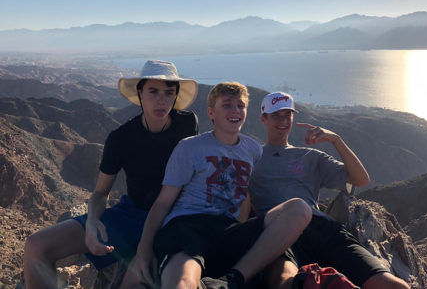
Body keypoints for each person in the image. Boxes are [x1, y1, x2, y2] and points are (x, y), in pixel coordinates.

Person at [23, 60, 199, 289]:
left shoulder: (187, 124)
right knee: (36, 245)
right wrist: (92, 223)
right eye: (153, 91)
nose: (161, 100)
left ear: (176, 96)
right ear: (140, 94)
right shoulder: (121, 138)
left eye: (169, 93)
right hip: (131, 215)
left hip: (174, 217)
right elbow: (100, 193)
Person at [122, 82, 312, 289]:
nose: (235, 111)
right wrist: (144, 250)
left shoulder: (253, 150)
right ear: (211, 113)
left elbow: (248, 194)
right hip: (188, 228)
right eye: (227, 105)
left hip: (228, 230)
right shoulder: (190, 147)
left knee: (299, 209)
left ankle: (233, 279)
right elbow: (163, 203)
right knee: (182, 282)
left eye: (241, 106)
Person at [249, 92, 410, 289]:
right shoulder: (250, 158)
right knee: (285, 284)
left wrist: (336, 140)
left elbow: (360, 179)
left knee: (397, 286)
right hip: (277, 231)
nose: (283, 121)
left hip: (321, 228)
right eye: (276, 115)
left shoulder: (310, 157)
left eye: (287, 115)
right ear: (263, 119)